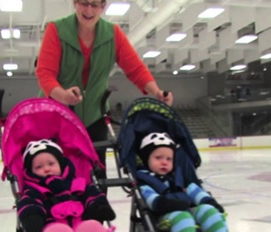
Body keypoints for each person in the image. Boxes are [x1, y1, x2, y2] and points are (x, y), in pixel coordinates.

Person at [36, 0, 173, 179]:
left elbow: (136, 69)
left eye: (95, 5)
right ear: (75, 3)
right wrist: (63, 96)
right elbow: (45, 73)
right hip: (57, 115)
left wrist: (156, 92)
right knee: (60, 174)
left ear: (103, 6)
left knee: (98, 175)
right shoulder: (56, 30)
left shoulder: (112, 34)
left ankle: (98, 205)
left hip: (95, 114)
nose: (89, 10)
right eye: (84, 3)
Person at [135, 133, 236, 232]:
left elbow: (195, 191)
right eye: (158, 158)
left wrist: (210, 202)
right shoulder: (145, 181)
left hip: (186, 211)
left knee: (210, 212)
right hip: (164, 217)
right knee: (184, 218)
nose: (164, 162)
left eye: (168, 159)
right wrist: (172, 205)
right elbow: (153, 201)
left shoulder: (178, 177)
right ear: (146, 159)